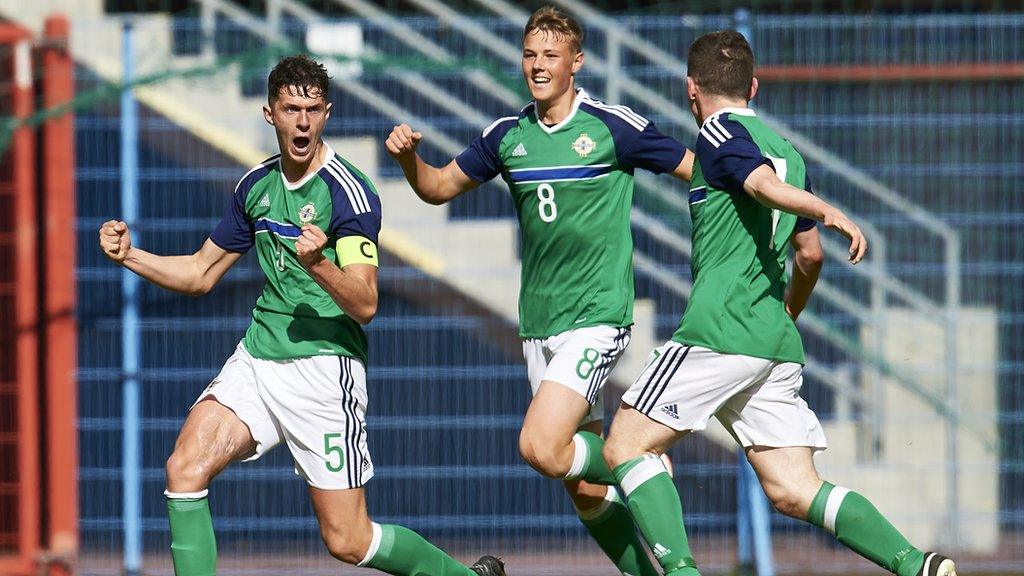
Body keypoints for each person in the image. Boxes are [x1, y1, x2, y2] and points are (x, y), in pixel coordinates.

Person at [99, 55, 505, 576]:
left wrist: (318, 265)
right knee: (184, 468)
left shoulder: (349, 193)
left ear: (328, 113)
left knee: (349, 541)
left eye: (314, 109)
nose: (303, 122)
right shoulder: (256, 188)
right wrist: (131, 255)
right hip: (259, 359)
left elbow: (365, 304)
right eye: (292, 109)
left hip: (323, 369)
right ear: (270, 114)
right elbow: (201, 274)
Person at [601, 30, 956, 576]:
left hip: (718, 330)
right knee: (794, 489)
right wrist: (787, 311)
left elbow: (761, 186)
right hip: (770, 339)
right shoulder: (788, 150)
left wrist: (827, 210)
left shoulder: (717, 131)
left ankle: (681, 572)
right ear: (755, 85)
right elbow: (808, 257)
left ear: (689, 88)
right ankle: (915, 563)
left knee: (625, 444)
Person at [386, 6, 694, 576]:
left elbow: (695, 170)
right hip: (540, 325)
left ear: (577, 62)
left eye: (551, 55)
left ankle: (640, 459)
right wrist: (409, 160)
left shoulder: (610, 125)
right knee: (583, 490)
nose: (538, 65)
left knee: (541, 447)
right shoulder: (507, 136)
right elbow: (435, 189)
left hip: (597, 316)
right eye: (530, 54)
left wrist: (759, 200)